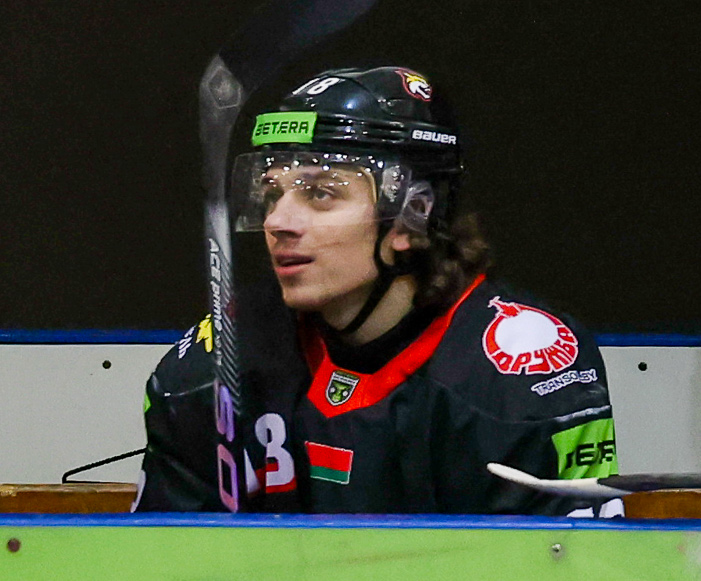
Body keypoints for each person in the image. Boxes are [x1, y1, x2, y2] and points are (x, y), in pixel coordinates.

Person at [137, 67, 617, 514]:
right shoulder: (218, 365)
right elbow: (161, 556)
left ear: (414, 214)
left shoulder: (520, 370)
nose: (278, 221)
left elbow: (566, 559)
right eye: (272, 192)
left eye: (320, 192)